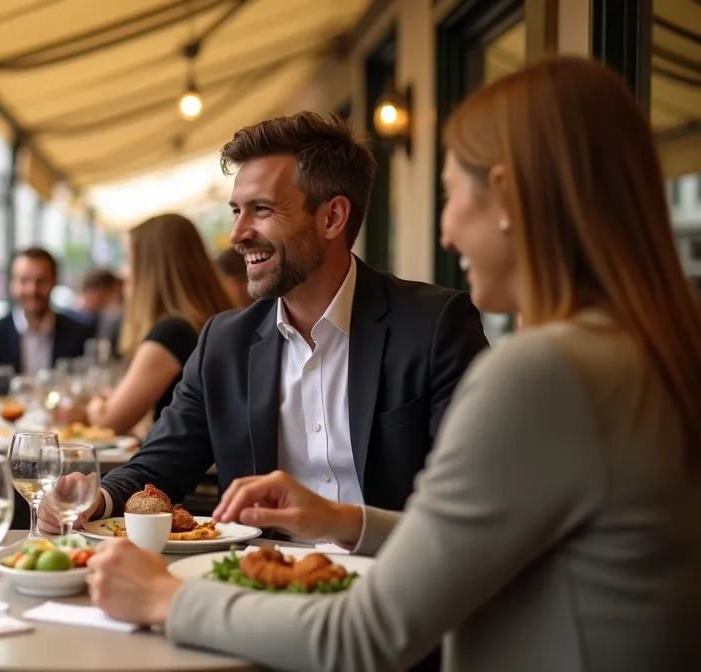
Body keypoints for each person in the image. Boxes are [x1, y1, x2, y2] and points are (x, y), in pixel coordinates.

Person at [85, 57, 701, 671]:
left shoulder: (540, 372)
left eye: (450, 195)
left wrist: (166, 599)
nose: (446, 232)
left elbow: (369, 635)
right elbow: (472, 545)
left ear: (507, 197)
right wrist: (343, 520)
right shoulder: (641, 352)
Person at [42, 112, 489, 533]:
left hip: (390, 578)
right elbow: (159, 466)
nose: (237, 235)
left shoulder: (433, 327)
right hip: (254, 576)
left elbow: (471, 504)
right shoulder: (224, 342)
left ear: (332, 217)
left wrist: (343, 523)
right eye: (236, 211)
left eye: (261, 210)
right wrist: (96, 499)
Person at [79, 214, 236, 434]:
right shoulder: (211, 323)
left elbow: (109, 422)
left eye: (129, 260)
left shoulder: (172, 334)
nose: (123, 272)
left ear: (152, 269)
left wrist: (95, 401)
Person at [0, 246, 96, 396]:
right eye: (24, 280)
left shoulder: (79, 333)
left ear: (54, 282)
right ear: (12, 284)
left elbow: (86, 390)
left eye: (41, 281)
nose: (32, 289)